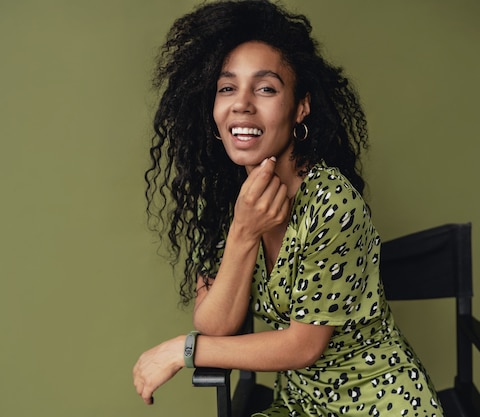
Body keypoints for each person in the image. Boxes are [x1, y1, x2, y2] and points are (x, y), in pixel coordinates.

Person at [132, 1, 444, 416]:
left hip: (380, 404)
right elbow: (215, 323)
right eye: (227, 88)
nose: (242, 103)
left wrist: (181, 351)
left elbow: (302, 346)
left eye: (265, 88)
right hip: (301, 405)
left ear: (300, 108)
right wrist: (243, 231)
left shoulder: (332, 202)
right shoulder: (231, 199)